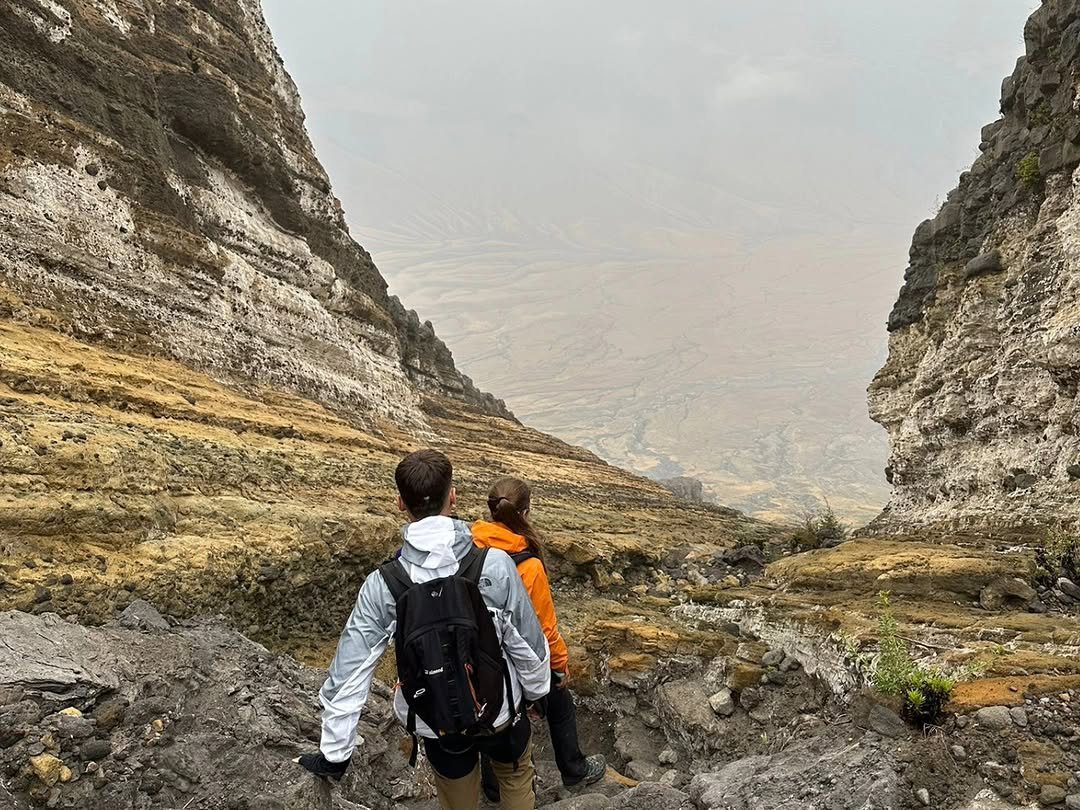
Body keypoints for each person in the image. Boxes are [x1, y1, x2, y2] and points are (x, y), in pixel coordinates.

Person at [296, 450, 551, 810]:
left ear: (400, 503)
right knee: (514, 777)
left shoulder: (384, 584)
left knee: (455, 792)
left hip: (435, 720)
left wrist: (335, 753)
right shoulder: (493, 564)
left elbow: (351, 671)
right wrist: (536, 693)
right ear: (453, 496)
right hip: (500, 711)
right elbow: (528, 644)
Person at [472, 477, 606, 801]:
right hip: (518, 656)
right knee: (560, 704)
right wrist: (559, 666)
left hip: (476, 654)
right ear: (526, 512)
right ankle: (574, 771)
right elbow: (544, 627)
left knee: (491, 716)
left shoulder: (470, 548)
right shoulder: (528, 564)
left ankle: (492, 790)